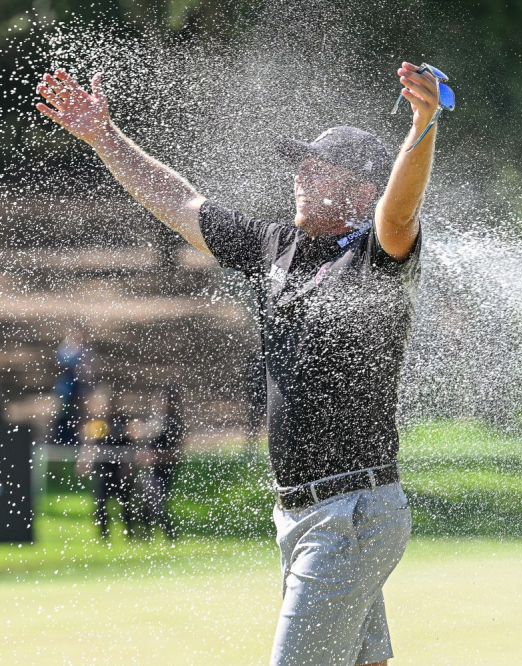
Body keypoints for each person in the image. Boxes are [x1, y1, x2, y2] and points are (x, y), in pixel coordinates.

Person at [37, 60, 440, 665]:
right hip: (304, 513)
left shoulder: (377, 259)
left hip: (349, 514)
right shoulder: (273, 246)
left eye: (317, 165)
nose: (301, 173)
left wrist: (423, 124)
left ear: (361, 190)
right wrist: (103, 136)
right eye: (301, 162)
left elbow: (400, 211)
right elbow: (180, 202)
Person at [76, 395, 140, 540]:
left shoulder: (122, 422)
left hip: (119, 470)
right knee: (101, 504)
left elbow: (130, 445)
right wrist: (83, 463)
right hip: (103, 471)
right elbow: (90, 446)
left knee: (125, 504)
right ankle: (104, 535)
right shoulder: (95, 424)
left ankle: (129, 533)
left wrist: (129, 467)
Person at [143, 385, 185, 539]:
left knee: (156, 502)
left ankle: (171, 535)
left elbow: (176, 453)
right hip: (152, 468)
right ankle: (146, 536)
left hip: (164, 468)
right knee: (147, 502)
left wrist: (156, 458)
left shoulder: (174, 423)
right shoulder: (156, 421)